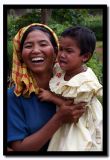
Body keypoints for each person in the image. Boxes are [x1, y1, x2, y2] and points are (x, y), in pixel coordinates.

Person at [7, 23, 86, 152]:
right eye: (28, 46)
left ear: (56, 51)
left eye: (43, 44)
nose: (36, 50)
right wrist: (59, 119)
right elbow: (19, 149)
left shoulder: (72, 87)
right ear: (21, 55)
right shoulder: (13, 96)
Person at [38, 26, 103, 151]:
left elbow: (75, 108)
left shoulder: (85, 82)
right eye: (61, 49)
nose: (62, 54)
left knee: (72, 147)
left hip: (80, 122)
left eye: (68, 51)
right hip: (66, 117)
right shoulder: (61, 70)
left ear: (84, 57)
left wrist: (51, 97)